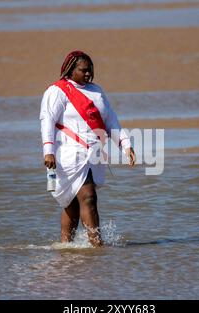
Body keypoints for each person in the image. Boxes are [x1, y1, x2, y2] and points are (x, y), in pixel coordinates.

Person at [40, 50, 136, 247]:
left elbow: (111, 120)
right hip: (68, 154)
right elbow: (47, 121)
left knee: (73, 204)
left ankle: (65, 247)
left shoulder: (97, 90)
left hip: (94, 153)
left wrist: (126, 145)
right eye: (83, 71)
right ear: (70, 70)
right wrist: (48, 151)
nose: (88, 74)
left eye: (90, 70)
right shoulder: (57, 91)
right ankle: (97, 245)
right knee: (88, 196)